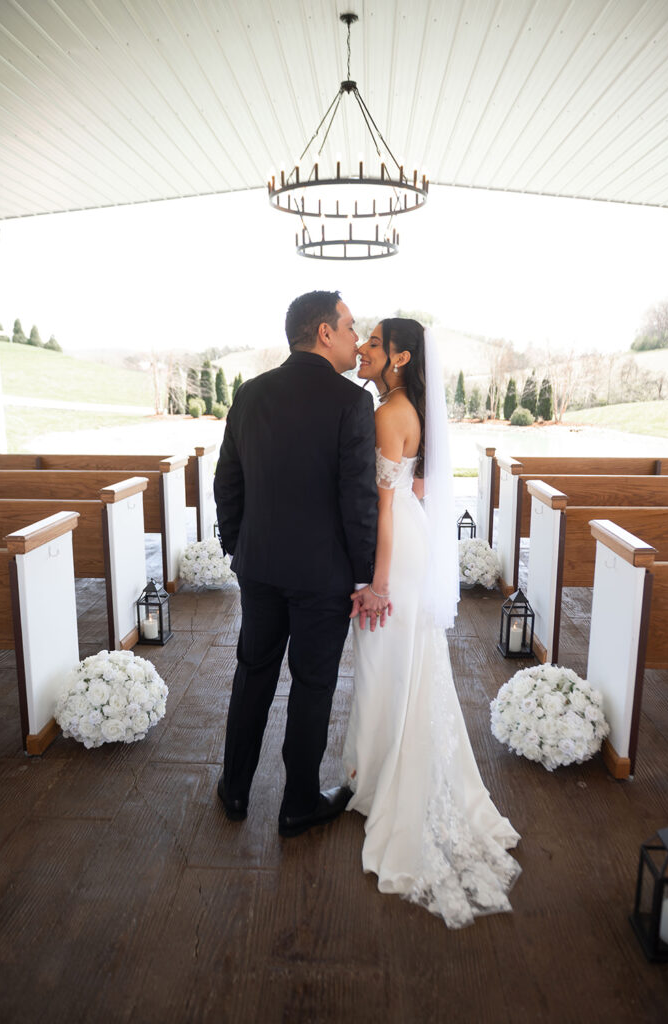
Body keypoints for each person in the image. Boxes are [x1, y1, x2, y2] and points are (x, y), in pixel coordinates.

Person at [343, 317, 521, 928]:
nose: (363, 349)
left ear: (398, 357)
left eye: (372, 342)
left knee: (384, 664)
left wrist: (378, 582)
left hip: (396, 553)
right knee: (400, 665)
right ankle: (375, 773)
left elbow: (385, 506)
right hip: (408, 540)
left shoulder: (389, 413)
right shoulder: (404, 406)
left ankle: (382, 782)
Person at [214, 290, 383, 838]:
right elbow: (358, 499)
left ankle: (234, 790)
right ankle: (297, 805)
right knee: (313, 686)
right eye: (351, 327)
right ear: (325, 333)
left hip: (259, 566)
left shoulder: (250, 393)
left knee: (253, 673)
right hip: (323, 576)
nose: (357, 338)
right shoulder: (351, 402)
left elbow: (227, 480)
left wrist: (240, 546)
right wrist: (364, 576)